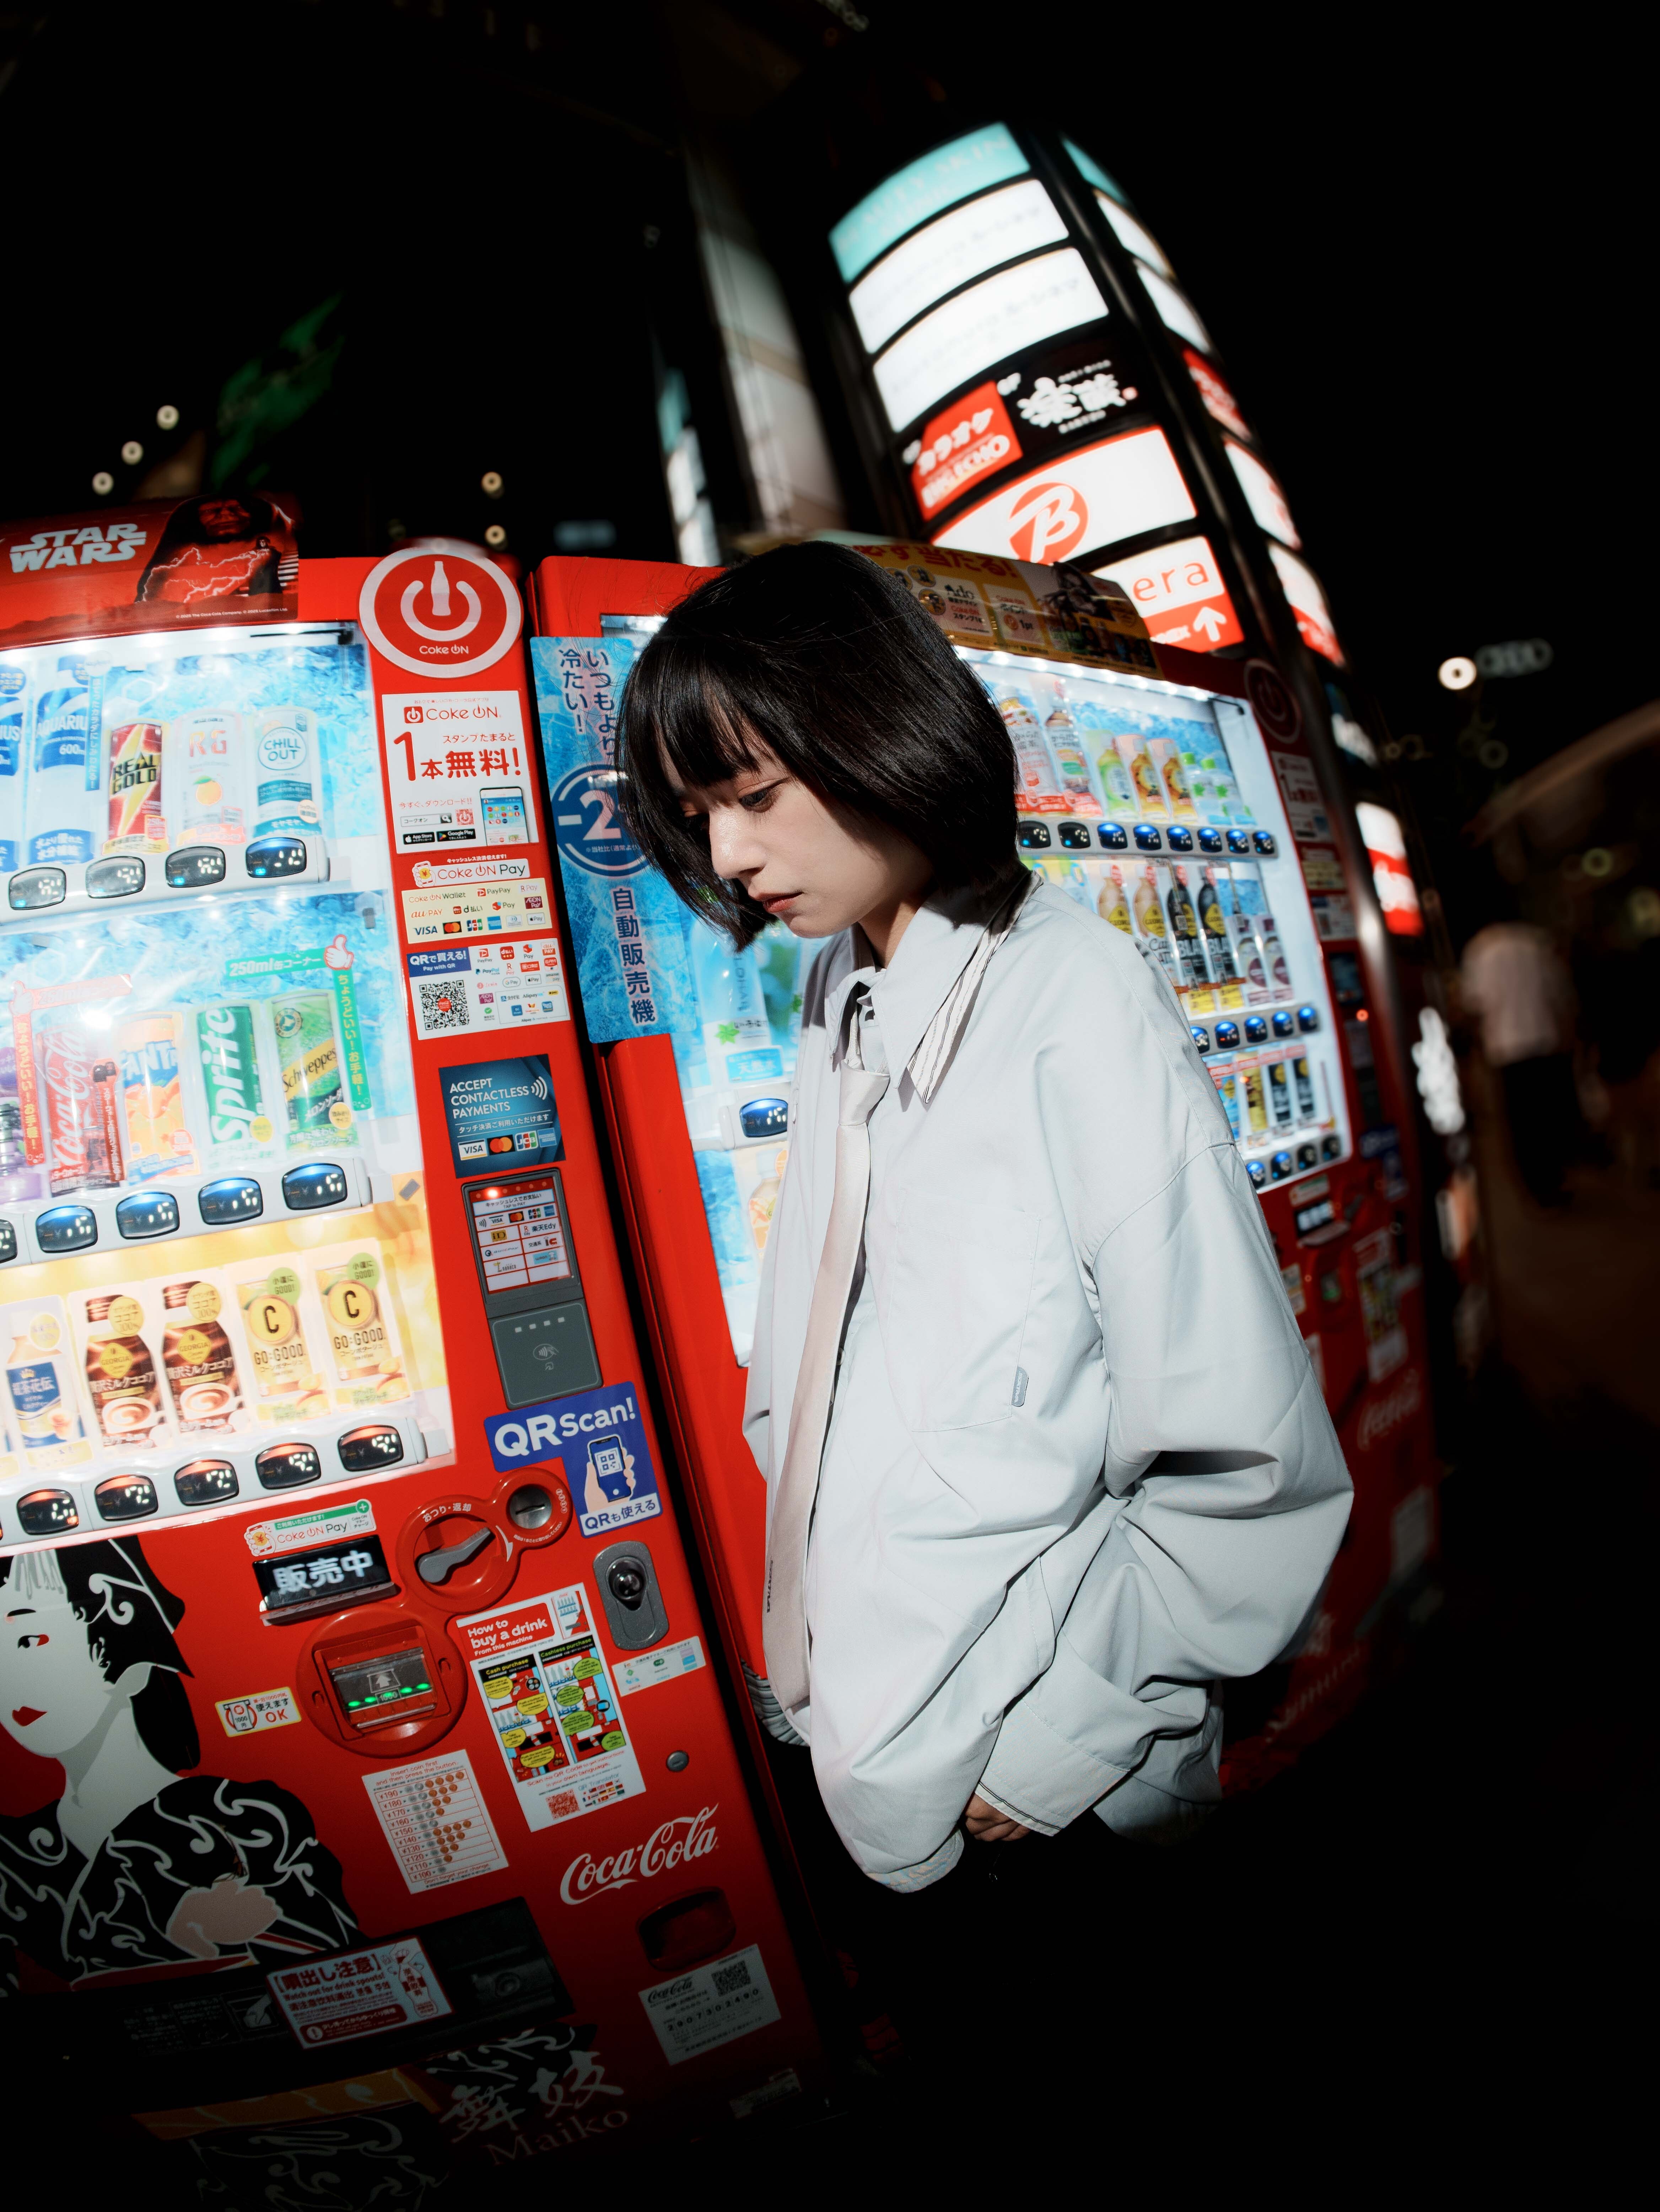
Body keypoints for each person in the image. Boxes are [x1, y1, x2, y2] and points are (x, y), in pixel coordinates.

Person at [618, 542, 1351, 1904]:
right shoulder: (842, 979)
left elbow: (1245, 1451)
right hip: (879, 1717)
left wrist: (1057, 1742)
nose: (726, 854)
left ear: (877, 728)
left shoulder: (1076, 998)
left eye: (754, 795)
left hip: (1032, 1777)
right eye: (698, 812)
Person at [0, 1538, 355, 1989]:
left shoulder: (246, 1818)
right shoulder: (12, 1854)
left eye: (28, 1640)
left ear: (121, 1633)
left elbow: (342, 1961)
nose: (9, 1676)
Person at [1460, 910, 1579, 1205]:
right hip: (1544, 1040)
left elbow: (1474, 1002)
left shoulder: (1481, 949)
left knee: (1522, 1122)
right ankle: (1554, 1177)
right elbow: (1560, 994)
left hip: (1507, 1047)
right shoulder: (1536, 942)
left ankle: (1536, 1185)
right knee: (1548, 1115)